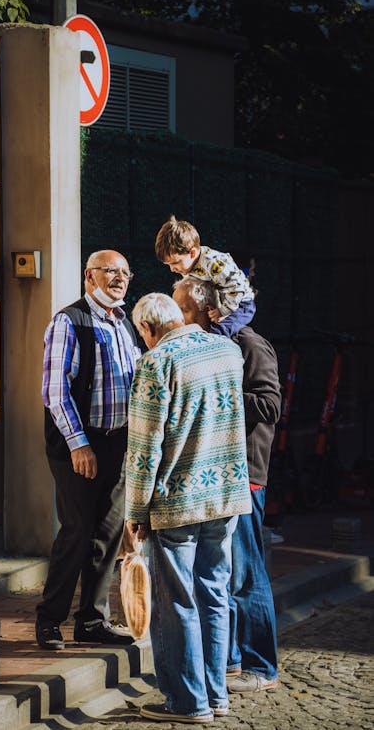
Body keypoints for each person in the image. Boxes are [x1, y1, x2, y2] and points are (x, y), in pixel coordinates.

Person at [125, 293, 252, 722]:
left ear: (147, 329)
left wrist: (135, 512)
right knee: (214, 595)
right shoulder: (227, 350)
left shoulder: (156, 362)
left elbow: (144, 447)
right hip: (226, 494)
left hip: (178, 500)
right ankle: (216, 695)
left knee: (176, 601)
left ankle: (186, 702)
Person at [172, 276, 280, 693]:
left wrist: (222, 388)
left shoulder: (250, 344)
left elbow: (270, 405)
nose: (180, 319)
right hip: (217, 473)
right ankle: (230, 658)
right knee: (221, 573)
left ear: (207, 310)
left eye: (184, 310)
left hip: (246, 475)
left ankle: (261, 665)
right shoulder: (207, 347)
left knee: (247, 574)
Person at [37, 250, 140, 650]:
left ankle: (92, 622)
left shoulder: (123, 323)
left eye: (125, 272)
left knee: (108, 535)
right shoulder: (69, 321)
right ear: (89, 276)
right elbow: (55, 390)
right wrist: (80, 445)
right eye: (110, 271)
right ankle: (49, 620)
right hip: (78, 443)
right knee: (77, 533)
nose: (119, 278)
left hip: (118, 443)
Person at [155, 215, 255, 337]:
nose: (172, 269)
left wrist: (223, 311)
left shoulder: (213, 264)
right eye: (168, 265)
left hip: (241, 304)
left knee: (219, 331)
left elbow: (237, 289)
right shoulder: (191, 265)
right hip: (225, 300)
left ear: (192, 253)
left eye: (175, 263)